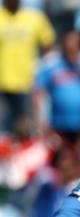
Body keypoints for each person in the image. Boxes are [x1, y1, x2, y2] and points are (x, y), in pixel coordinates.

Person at [0, 0, 55, 133]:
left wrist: (41, 67)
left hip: (27, 82)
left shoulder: (34, 17)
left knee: (26, 128)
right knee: (4, 129)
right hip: (2, 83)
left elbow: (48, 42)